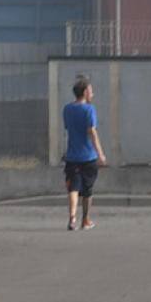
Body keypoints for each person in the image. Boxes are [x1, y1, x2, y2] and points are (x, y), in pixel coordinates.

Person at [60, 75, 105, 231]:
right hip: (88, 156)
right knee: (88, 190)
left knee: (73, 187)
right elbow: (91, 131)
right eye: (91, 91)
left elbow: (67, 129)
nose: (92, 94)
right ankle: (85, 220)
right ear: (85, 92)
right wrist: (100, 153)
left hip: (72, 156)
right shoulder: (89, 110)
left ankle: (72, 218)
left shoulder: (67, 109)